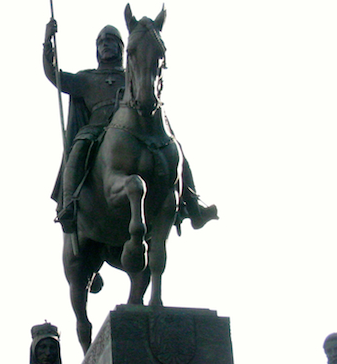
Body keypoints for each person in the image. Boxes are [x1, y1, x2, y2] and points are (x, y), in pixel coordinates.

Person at [44, 18, 217, 234]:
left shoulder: (131, 75)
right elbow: (54, 75)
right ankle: (69, 204)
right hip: (96, 130)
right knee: (79, 148)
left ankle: (192, 204)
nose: (106, 45)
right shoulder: (86, 78)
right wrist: (47, 40)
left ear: (121, 47)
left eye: (111, 41)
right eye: (102, 42)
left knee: (175, 147)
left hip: (134, 128)